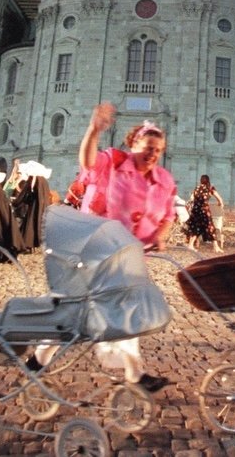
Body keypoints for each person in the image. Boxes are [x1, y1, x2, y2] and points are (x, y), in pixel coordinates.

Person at [71, 102, 176, 392]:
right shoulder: (115, 162)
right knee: (122, 308)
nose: (153, 153)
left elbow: (168, 213)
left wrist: (160, 235)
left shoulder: (161, 179)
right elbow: (88, 163)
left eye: (158, 149)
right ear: (133, 143)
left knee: (101, 309)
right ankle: (135, 373)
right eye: (147, 147)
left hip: (128, 254)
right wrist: (94, 130)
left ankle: (39, 358)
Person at [183, 174, 225, 252]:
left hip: (195, 211)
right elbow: (219, 199)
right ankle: (215, 247)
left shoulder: (197, 188)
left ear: (200, 180)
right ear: (208, 180)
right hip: (204, 211)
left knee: (197, 228)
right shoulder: (210, 188)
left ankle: (190, 245)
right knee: (210, 227)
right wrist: (220, 204)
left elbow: (192, 198)